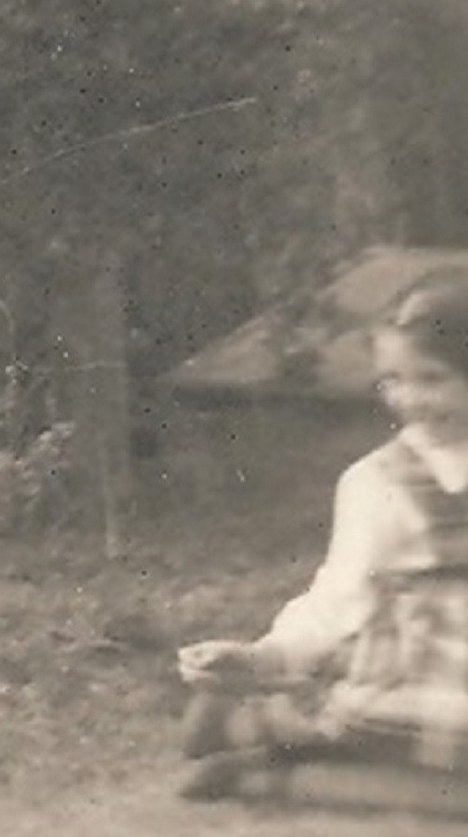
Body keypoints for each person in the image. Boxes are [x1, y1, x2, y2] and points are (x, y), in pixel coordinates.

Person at [176, 268, 468, 803]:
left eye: (430, 378)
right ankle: (255, 738)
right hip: (415, 672)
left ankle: (271, 752)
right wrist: (268, 656)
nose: (408, 398)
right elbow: (339, 594)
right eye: (392, 381)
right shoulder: (381, 481)